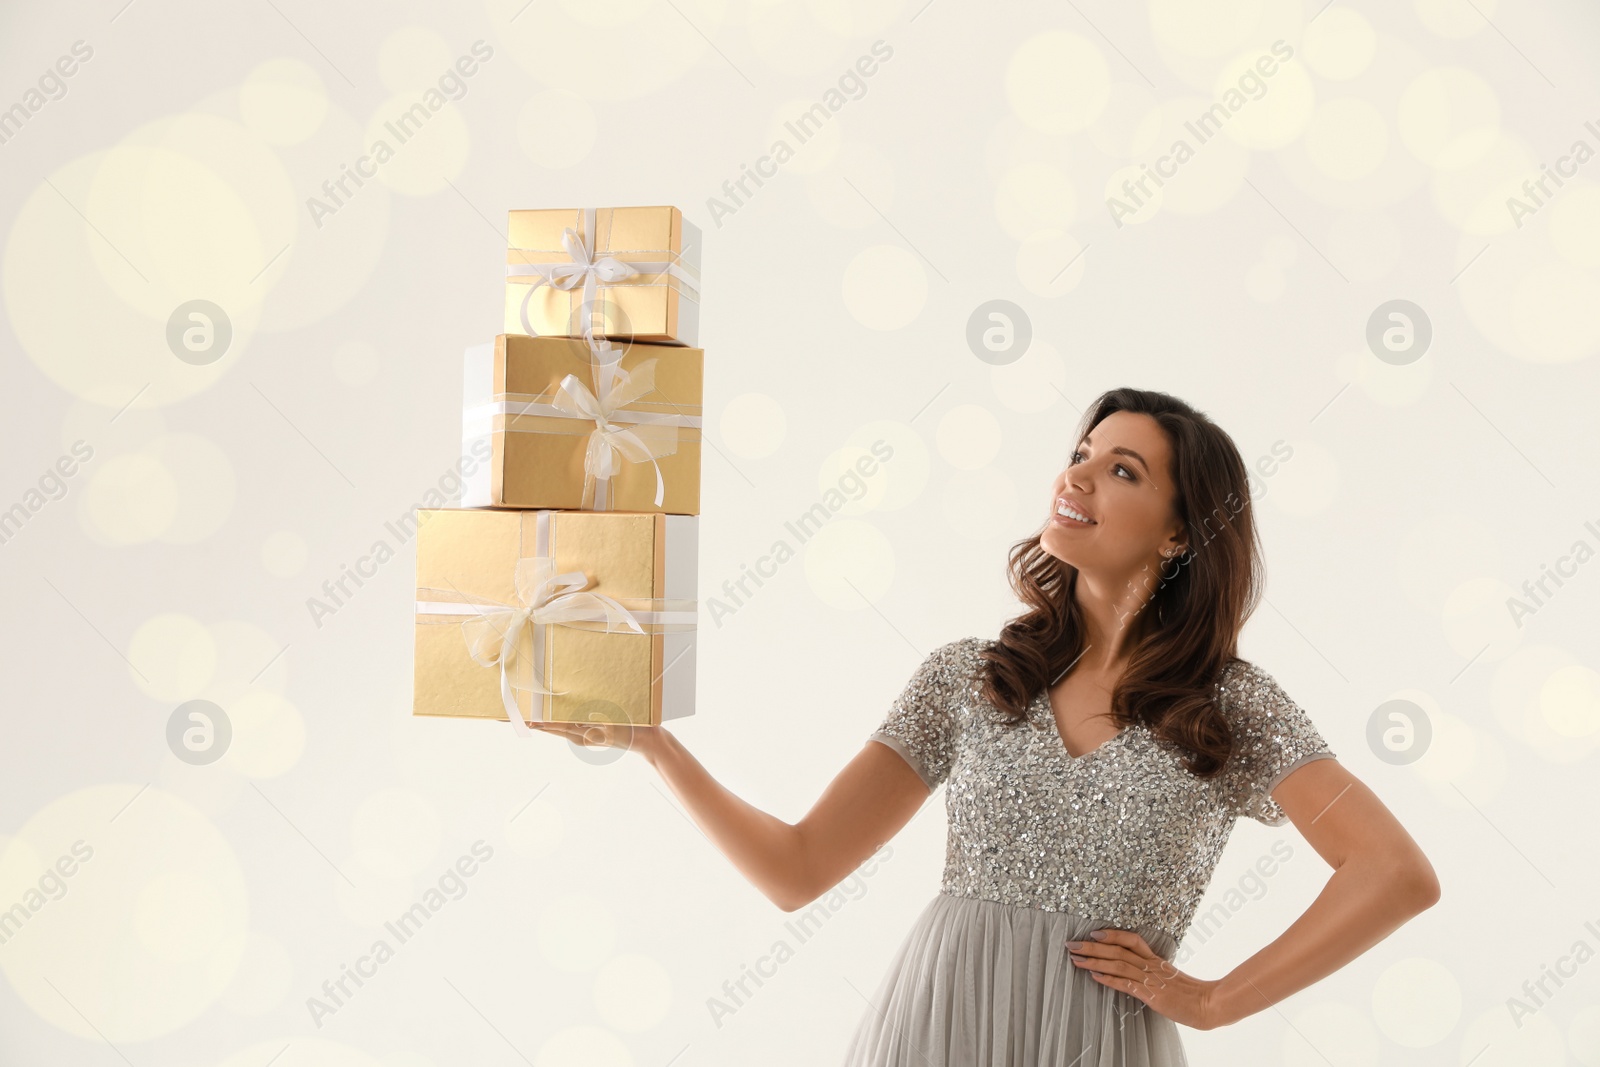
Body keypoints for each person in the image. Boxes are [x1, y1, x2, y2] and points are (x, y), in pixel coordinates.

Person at [526, 387, 1441, 1065]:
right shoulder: (968, 679)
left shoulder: (1229, 705)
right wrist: (651, 741)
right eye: (1083, 450)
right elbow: (796, 869)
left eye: (1123, 468)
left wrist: (1210, 1000)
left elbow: (1395, 872)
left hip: (1098, 1043)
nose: (1077, 472)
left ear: (1177, 535)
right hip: (934, 1031)